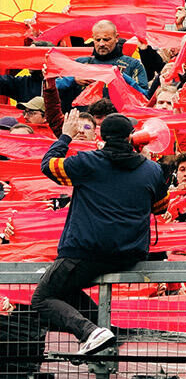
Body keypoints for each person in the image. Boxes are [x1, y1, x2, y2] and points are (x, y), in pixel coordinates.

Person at [33, 111, 169, 355]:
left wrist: (65, 136)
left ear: (102, 136)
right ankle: (103, 333)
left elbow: (48, 165)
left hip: (86, 252)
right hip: (130, 254)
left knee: (43, 297)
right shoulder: (152, 169)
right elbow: (160, 207)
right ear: (131, 136)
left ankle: (90, 332)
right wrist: (145, 163)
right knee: (65, 290)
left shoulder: (87, 162)